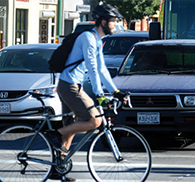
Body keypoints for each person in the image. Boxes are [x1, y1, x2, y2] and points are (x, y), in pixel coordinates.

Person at [45, 4, 126, 181]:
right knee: (95, 120)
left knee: (70, 127)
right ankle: (53, 135)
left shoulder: (97, 40)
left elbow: (102, 69)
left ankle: (58, 168)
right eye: (113, 21)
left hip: (72, 85)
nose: (115, 25)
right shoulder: (88, 38)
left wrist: (116, 91)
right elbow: (92, 68)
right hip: (70, 85)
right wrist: (99, 94)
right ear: (103, 22)